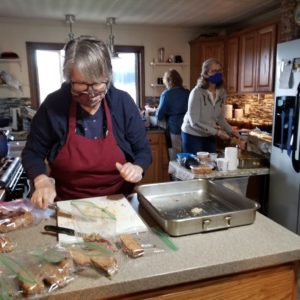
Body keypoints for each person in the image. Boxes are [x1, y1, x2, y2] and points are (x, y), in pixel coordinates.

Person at [22, 36, 152, 209]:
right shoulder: (53, 105)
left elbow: (143, 150)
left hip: (119, 202)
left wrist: (138, 167)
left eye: (98, 84)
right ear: (69, 78)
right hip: (68, 205)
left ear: (109, 76)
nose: (91, 94)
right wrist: (40, 178)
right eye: (81, 85)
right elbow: (32, 152)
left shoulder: (123, 103)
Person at [181, 58, 239, 154]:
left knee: (211, 163)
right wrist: (217, 132)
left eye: (219, 71)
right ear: (205, 74)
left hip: (209, 134)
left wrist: (231, 131)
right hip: (192, 134)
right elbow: (194, 122)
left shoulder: (221, 93)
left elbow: (219, 118)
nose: (218, 74)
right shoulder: (197, 93)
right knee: (194, 165)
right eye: (214, 71)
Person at [156, 69, 189, 160]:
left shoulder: (166, 94)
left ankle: (175, 174)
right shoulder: (187, 93)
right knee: (187, 156)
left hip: (175, 128)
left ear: (169, 81)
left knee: (176, 156)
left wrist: (155, 110)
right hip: (188, 128)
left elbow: (159, 115)